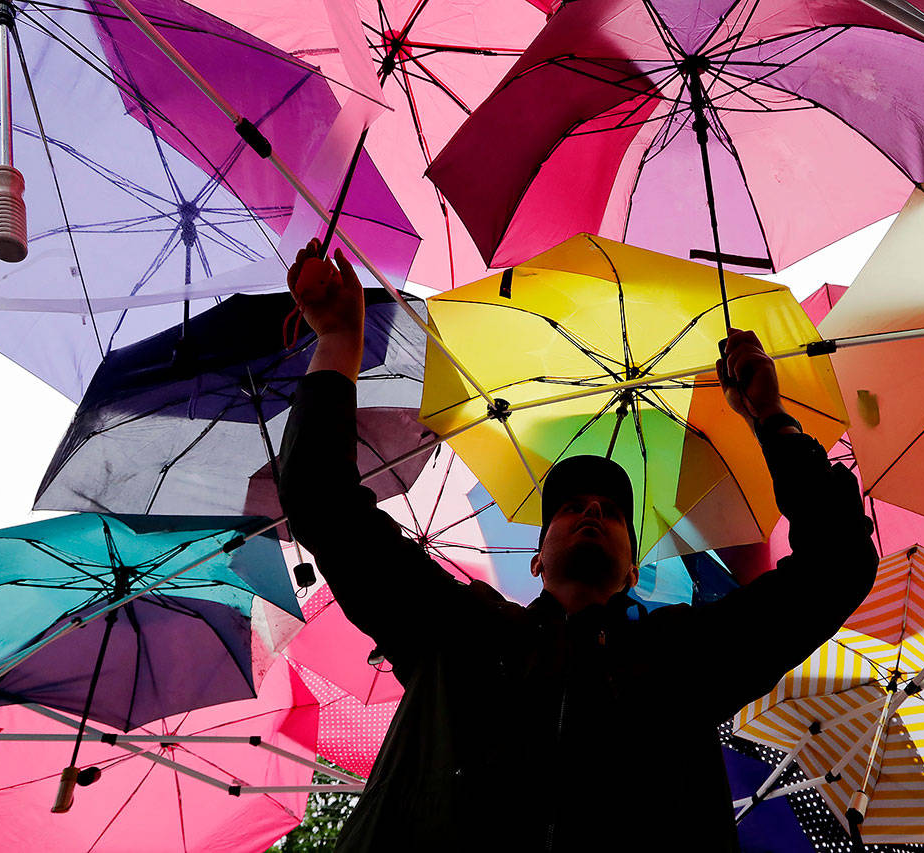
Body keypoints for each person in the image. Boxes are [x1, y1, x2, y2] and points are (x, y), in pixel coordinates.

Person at [278, 241, 878, 852]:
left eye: (613, 512)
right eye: (570, 507)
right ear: (536, 559)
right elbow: (321, 499)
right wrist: (338, 343)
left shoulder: (684, 656)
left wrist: (770, 418)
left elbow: (839, 565)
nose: (592, 509)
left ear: (633, 569)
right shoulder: (454, 625)